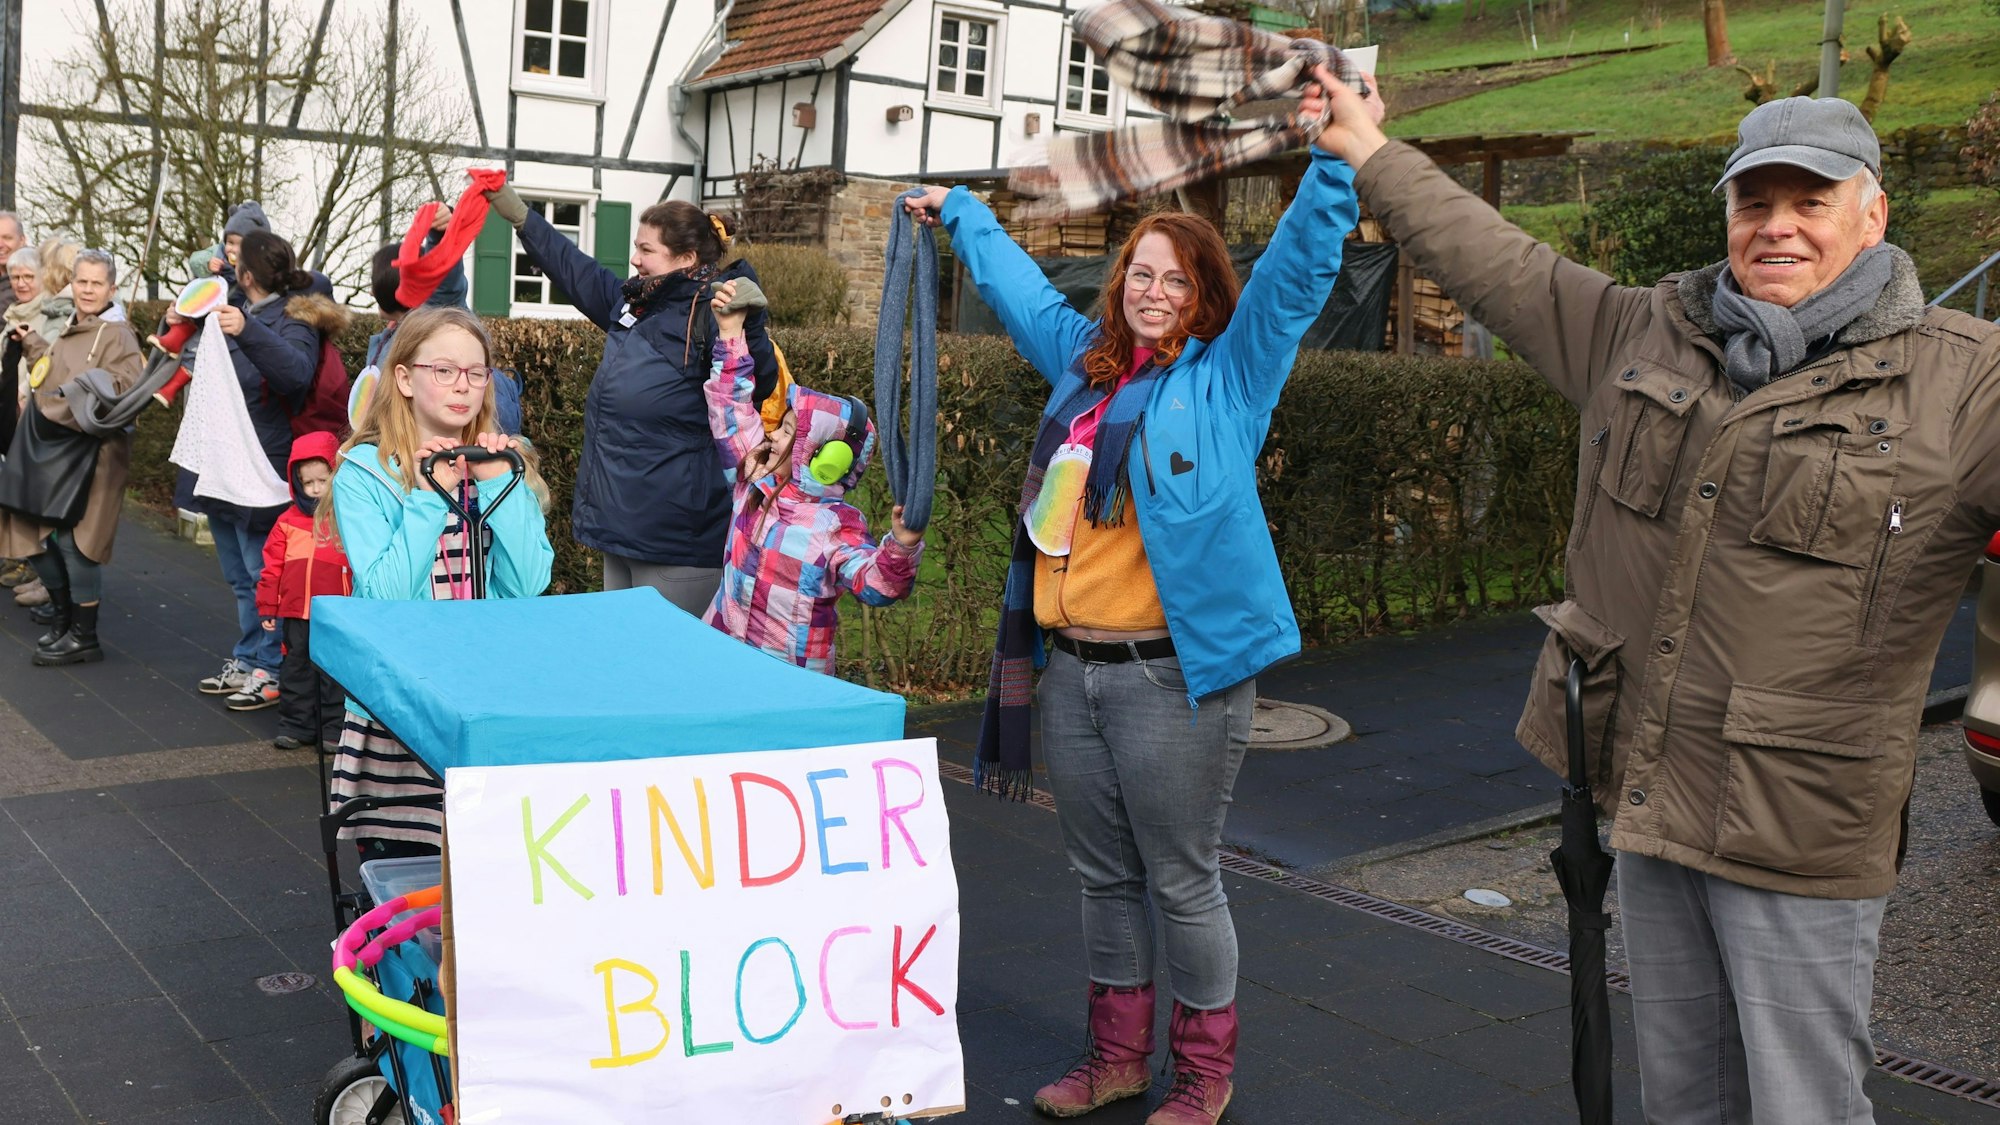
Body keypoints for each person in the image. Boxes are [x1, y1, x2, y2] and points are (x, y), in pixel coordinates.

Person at [1313, 82, 2000, 1124]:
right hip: (1646, 802)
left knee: (1801, 1108)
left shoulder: (1962, 384)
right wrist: (1364, 145)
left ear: (1871, 215)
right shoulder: (1643, 331)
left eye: (1808, 201)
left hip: (1797, 835)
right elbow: (1489, 258)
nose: (1774, 225)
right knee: (1681, 1100)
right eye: (1751, 201)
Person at [901, 76, 1357, 1125]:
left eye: (1173, 280)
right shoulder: (1083, 371)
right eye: (1138, 274)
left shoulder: (1230, 378)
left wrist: (1336, 161)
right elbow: (1019, 294)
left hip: (1171, 680)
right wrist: (962, 213)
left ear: (1201, 296)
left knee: (1182, 880)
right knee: (1101, 879)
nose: (1152, 290)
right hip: (1073, 674)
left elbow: (1295, 272)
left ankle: (1200, 1075)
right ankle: (1113, 1059)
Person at [480, 182, 777, 613]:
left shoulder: (712, 311)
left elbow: (758, 383)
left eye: (646, 249)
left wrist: (748, 325)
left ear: (687, 259)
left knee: (667, 667)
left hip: (676, 535)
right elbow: (575, 270)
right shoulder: (637, 304)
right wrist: (520, 216)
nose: (635, 259)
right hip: (619, 526)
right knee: (621, 659)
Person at [325, 306, 552, 859]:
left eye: (477, 374)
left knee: (484, 870)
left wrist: (503, 489)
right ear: (404, 378)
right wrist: (428, 497)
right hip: (401, 703)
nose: (463, 387)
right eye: (444, 371)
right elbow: (386, 598)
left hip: (481, 690)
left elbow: (528, 585)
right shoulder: (365, 471)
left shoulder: (500, 464)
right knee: (406, 870)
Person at [699, 279, 924, 673]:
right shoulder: (755, 480)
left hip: (792, 676)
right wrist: (730, 330)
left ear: (821, 458)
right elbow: (730, 406)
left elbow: (879, 587)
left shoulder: (836, 527)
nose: (772, 435)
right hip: (723, 653)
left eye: (787, 432)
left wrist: (901, 547)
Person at [171, 230, 349, 710]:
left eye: (234, 260)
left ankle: (270, 669)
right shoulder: (237, 301)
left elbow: (292, 372)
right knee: (237, 575)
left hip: (262, 466)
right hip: (225, 464)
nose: (227, 263)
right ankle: (248, 657)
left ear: (249, 275)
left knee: (263, 574)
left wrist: (246, 331)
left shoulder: (294, 317)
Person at [0, 249, 144, 665]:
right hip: (55, 451)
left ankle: (84, 636)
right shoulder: (73, 325)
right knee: (36, 532)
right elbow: (53, 371)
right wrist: (30, 342)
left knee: (79, 545)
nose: (86, 289)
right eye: (81, 281)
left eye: (96, 283)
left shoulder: (118, 335)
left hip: (95, 454)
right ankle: (64, 623)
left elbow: (123, 392)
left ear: (111, 289)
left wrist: (65, 402)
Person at [366, 205, 523, 434]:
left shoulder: (437, 317)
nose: (371, 291)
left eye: (373, 281)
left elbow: (443, 280)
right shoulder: (387, 340)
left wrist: (440, 236)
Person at [254, 431, 351, 751]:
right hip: (296, 612)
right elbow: (272, 567)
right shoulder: (287, 521)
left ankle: (333, 730)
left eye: (322, 480)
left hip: (336, 611)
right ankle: (296, 726)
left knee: (333, 674)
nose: (315, 490)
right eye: (307, 483)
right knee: (296, 670)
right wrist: (268, 606)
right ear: (297, 482)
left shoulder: (346, 517)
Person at [182, 201, 269, 286]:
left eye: (241, 245)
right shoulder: (218, 252)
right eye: (230, 242)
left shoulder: (258, 269)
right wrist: (207, 264)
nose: (233, 249)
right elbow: (194, 260)